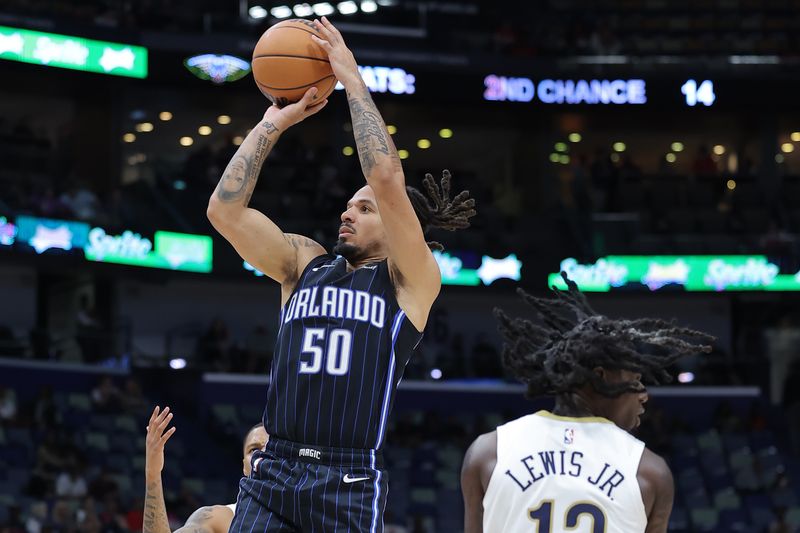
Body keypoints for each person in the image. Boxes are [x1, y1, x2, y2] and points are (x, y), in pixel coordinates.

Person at [206, 16, 475, 532]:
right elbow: (224, 213)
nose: (348, 212)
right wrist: (274, 123)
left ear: (401, 226)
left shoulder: (412, 282)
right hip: (274, 471)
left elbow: (384, 176)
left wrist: (352, 79)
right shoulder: (302, 264)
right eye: (349, 204)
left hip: (347, 482)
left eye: (366, 209)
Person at [461, 273, 714, 533]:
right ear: (600, 376)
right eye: (635, 379)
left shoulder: (489, 451)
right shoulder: (649, 472)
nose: (643, 394)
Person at [142, 406, 269, 533]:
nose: (261, 454)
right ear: (244, 467)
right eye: (254, 450)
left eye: (270, 447)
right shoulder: (219, 519)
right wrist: (153, 474)